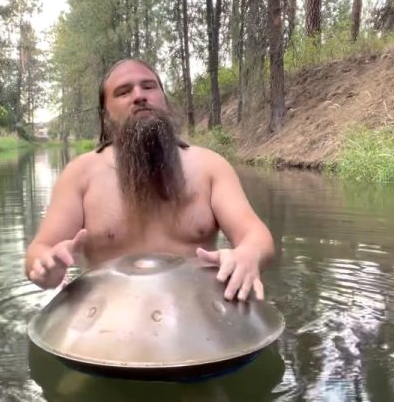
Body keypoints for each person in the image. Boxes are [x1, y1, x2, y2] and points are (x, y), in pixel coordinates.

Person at [25, 58, 275, 301]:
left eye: (148, 86)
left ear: (164, 101)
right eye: (123, 92)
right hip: (107, 323)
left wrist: (248, 254)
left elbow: (255, 235)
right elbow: (39, 251)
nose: (139, 96)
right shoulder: (80, 174)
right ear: (105, 116)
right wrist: (47, 269)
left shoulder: (210, 166)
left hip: (198, 317)